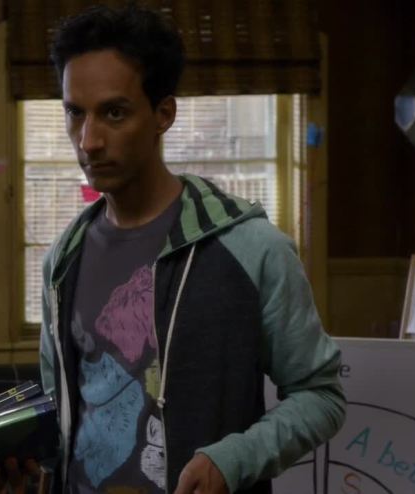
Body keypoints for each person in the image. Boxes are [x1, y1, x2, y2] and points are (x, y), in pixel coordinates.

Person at [33, 5, 346, 494]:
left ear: (164, 114)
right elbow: (62, 413)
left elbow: (321, 396)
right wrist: (20, 458)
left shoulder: (251, 249)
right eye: (75, 113)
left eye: (114, 113)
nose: (88, 141)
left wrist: (233, 459)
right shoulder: (62, 260)